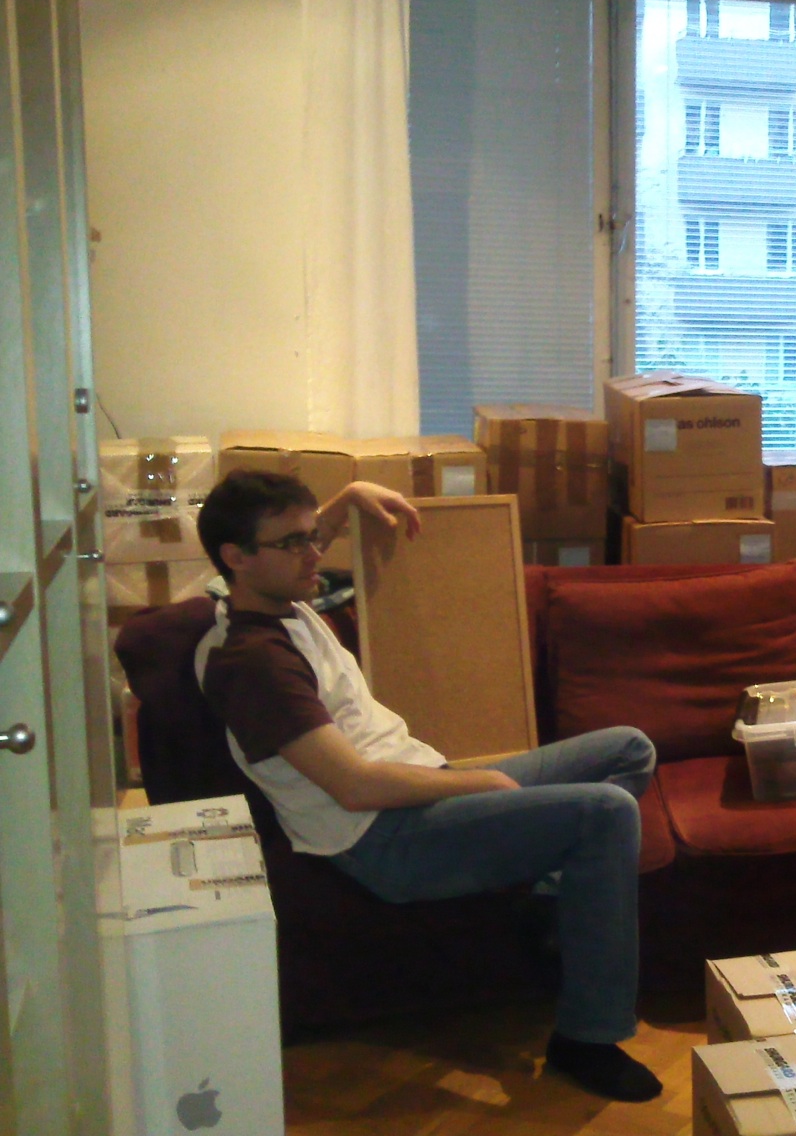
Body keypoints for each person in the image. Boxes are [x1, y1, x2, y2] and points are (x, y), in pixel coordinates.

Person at [195, 468, 662, 1103]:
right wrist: (480, 785)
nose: (315, 553)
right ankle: (588, 1036)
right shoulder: (254, 664)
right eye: (295, 543)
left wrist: (349, 496)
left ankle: (557, 898)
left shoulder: (273, 596)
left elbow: (287, 540)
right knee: (605, 812)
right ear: (236, 558)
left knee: (629, 748)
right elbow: (354, 787)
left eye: (312, 536)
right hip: (381, 838)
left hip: (418, 785)